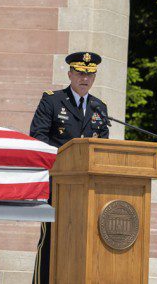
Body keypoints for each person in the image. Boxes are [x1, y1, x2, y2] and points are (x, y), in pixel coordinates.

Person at [29, 51, 110, 284]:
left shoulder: (99, 107)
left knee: (84, 238)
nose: (85, 79)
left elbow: (102, 147)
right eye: (80, 73)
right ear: (70, 74)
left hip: (88, 188)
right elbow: (37, 138)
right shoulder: (52, 100)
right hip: (58, 184)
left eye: (90, 74)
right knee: (52, 238)